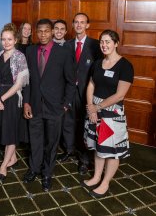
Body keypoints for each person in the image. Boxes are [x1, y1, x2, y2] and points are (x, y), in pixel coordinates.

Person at [22, 19, 75, 192]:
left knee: (51, 143)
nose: (43, 34)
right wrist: (27, 102)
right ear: (36, 33)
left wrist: (65, 105)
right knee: (35, 140)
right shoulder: (30, 51)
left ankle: (47, 173)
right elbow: (27, 80)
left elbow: (70, 81)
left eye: (46, 31)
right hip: (35, 105)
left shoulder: (64, 52)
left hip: (55, 107)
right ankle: (34, 168)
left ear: (52, 32)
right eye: (40, 31)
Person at [82, 30, 134, 198]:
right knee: (99, 147)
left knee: (111, 150)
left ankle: (105, 183)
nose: (104, 45)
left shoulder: (125, 65)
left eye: (108, 42)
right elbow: (91, 85)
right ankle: (97, 176)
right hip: (94, 110)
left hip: (112, 114)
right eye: (102, 42)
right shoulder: (97, 63)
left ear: (116, 43)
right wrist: (91, 106)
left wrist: (97, 107)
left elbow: (120, 95)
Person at [59, 13, 102, 176]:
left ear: (87, 25)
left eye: (82, 22)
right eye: (76, 22)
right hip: (69, 92)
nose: (78, 25)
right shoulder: (66, 45)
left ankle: (84, 159)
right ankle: (69, 150)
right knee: (68, 122)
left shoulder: (95, 45)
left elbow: (98, 70)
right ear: (73, 24)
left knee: (85, 125)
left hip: (87, 93)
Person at [0, 24, 29, 181]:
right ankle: (12, 158)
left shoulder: (20, 57)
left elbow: (19, 84)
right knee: (0, 129)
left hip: (11, 99)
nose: (6, 42)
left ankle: (3, 166)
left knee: (10, 132)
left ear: (16, 40)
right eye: (3, 39)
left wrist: (2, 99)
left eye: (9, 39)